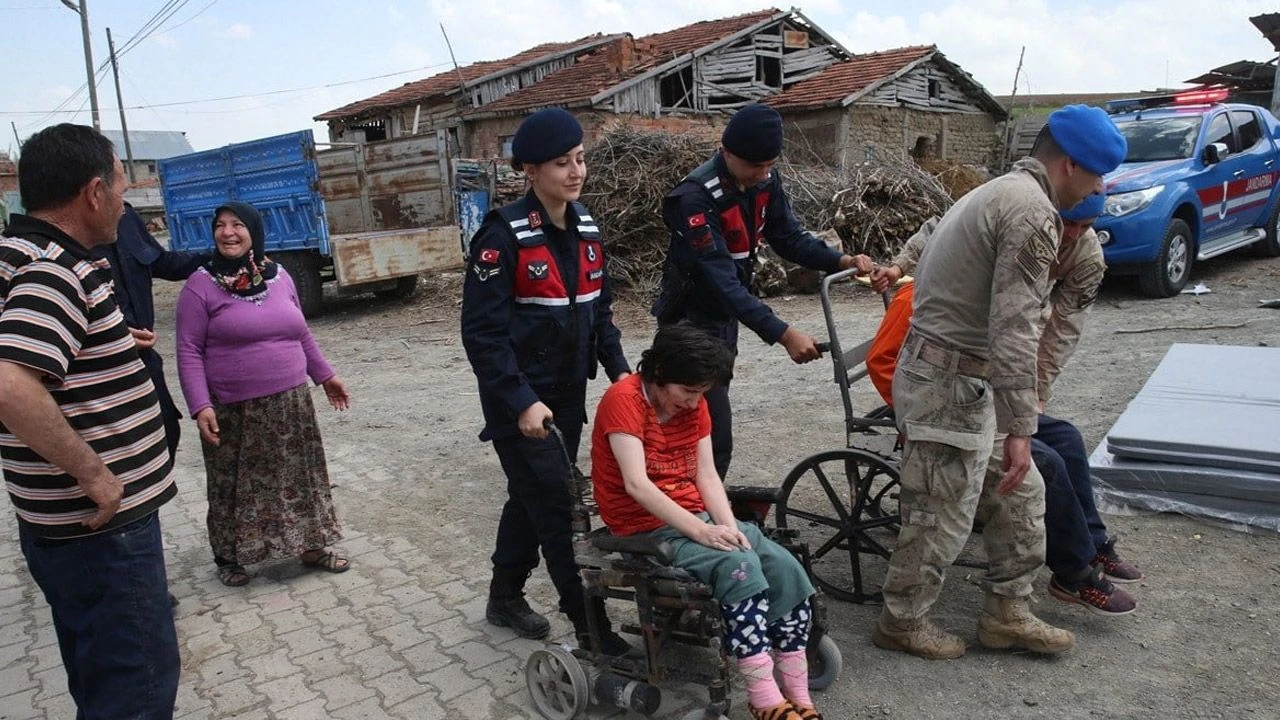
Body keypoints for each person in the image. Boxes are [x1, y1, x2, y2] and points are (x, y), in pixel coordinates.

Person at [867, 104, 1127, 660]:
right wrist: (1020, 427)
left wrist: (1016, 418)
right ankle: (902, 621)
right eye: (1097, 175)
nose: (1098, 188)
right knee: (942, 511)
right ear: (1071, 165)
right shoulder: (1032, 214)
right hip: (948, 384)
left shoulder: (1002, 191)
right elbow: (1015, 326)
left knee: (1024, 493)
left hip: (963, 381)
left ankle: (1008, 613)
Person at [0, 123, 179, 717]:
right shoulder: (56, 270)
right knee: (137, 688)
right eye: (123, 184)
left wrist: (102, 341)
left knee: (100, 677)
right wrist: (93, 473)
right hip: (103, 529)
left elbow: (31, 349)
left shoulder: (16, 255)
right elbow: (8, 384)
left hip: (61, 526)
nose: (126, 200)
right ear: (95, 192)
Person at [461, 108, 633, 655]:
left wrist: (623, 375)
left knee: (530, 497)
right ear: (530, 171)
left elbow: (599, 312)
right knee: (560, 508)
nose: (575, 171)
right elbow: (482, 336)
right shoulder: (502, 235)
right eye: (562, 163)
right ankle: (591, 630)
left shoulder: (586, 227)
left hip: (567, 396)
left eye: (580, 159)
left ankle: (504, 596)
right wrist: (521, 401)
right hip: (521, 404)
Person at [592, 323, 821, 720]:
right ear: (659, 374)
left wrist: (727, 525)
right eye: (688, 391)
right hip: (644, 527)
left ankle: (798, 692)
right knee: (740, 568)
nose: (696, 402)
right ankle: (765, 699)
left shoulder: (695, 405)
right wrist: (703, 532)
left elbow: (706, 475)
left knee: (784, 565)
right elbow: (637, 485)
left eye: (702, 393)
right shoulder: (623, 400)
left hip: (694, 513)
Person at [652, 103, 873, 479]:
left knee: (709, 431)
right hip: (689, 324)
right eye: (755, 166)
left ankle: (702, 509)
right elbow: (721, 281)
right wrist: (783, 333)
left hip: (724, 322)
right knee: (705, 430)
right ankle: (684, 515)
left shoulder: (765, 182)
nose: (763, 174)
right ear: (727, 153)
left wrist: (841, 261)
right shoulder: (694, 198)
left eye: (770, 165)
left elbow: (788, 237)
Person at [175, 201, 352, 587]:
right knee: (233, 483)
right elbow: (188, 350)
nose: (227, 232)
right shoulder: (200, 285)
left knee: (300, 476)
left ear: (253, 231)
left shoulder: (279, 276)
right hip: (233, 408)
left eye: (238, 224)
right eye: (219, 225)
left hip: (291, 402)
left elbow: (300, 331)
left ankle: (311, 545)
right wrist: (200, 405)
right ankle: (230, 557)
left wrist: (325, 376)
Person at [94, 203, 206, 461]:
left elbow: (162, 262)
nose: (120, 202)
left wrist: (216, 259)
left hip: (144, 362)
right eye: (118, 189)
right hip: (102, 373)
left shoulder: (125, 215)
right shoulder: (60, 242)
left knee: (166, 431)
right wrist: (108, 335)